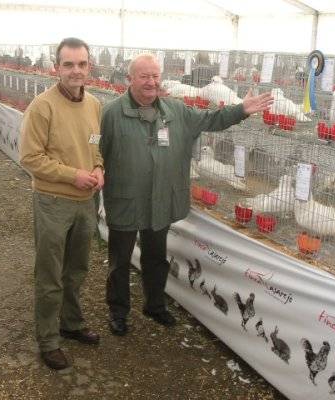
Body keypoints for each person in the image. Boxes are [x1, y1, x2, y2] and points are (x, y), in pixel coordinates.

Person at [100, 54, 273, 336]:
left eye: (155, 75)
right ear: (129, 79)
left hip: (159, 201)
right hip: (126, 200)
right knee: (119, 261)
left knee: (156, 257)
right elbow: (97, 150)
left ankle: (154, 306)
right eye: (144, 76)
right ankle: (118, 312)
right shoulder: (112, 113)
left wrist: (241, 109)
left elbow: (211, 119)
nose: (151, 81)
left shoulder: (175, 111)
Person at [20, 37, 104, 371]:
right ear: (56, 68)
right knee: (50, 274)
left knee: (77, 269)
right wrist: (73, 175)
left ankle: (71, 323)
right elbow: (30, 157)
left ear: (89, 67)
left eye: (81, 64)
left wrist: (99, 167)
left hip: (86, 202)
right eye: (68, 64)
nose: (75, 70)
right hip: (54, 201)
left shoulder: (94, 104)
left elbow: (95, 142)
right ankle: (48, 339)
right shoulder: (43, 106)